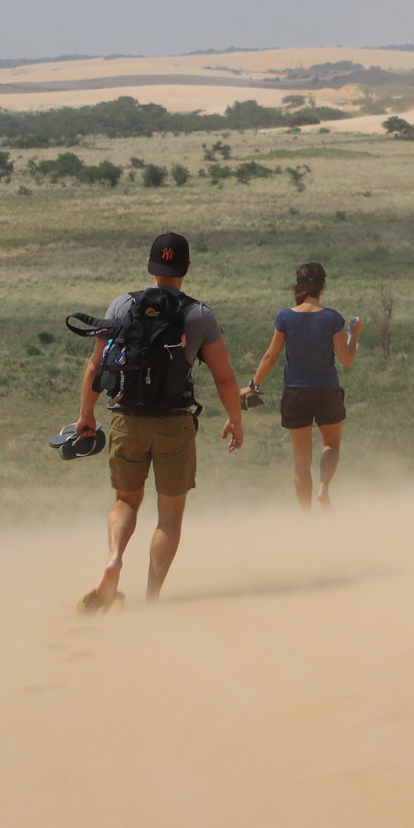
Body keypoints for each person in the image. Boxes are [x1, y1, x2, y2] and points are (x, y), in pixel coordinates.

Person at [73, 231, 245, 613]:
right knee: (170, 514)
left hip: (126, 421)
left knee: (125, 500)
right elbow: (225, 376)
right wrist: (234, 419)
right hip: (174, 425)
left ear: (150, 266)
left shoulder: (121, 306)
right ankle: (151, 598)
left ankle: (114, 559)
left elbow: (95, 366)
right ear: (186, 267)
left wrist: (86, 414)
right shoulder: (199, 314)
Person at [243, 261, 363, 509]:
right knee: (331, 445)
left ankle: (306, 518)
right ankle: (324, 489)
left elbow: (270, 356)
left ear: (298, 286)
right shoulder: (332, 318)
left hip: (295, 392)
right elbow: (347, 359)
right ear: (323, 287)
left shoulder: (285, 317)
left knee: (301, 461)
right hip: (327, 390)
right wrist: (355, 334)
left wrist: (253, 385)